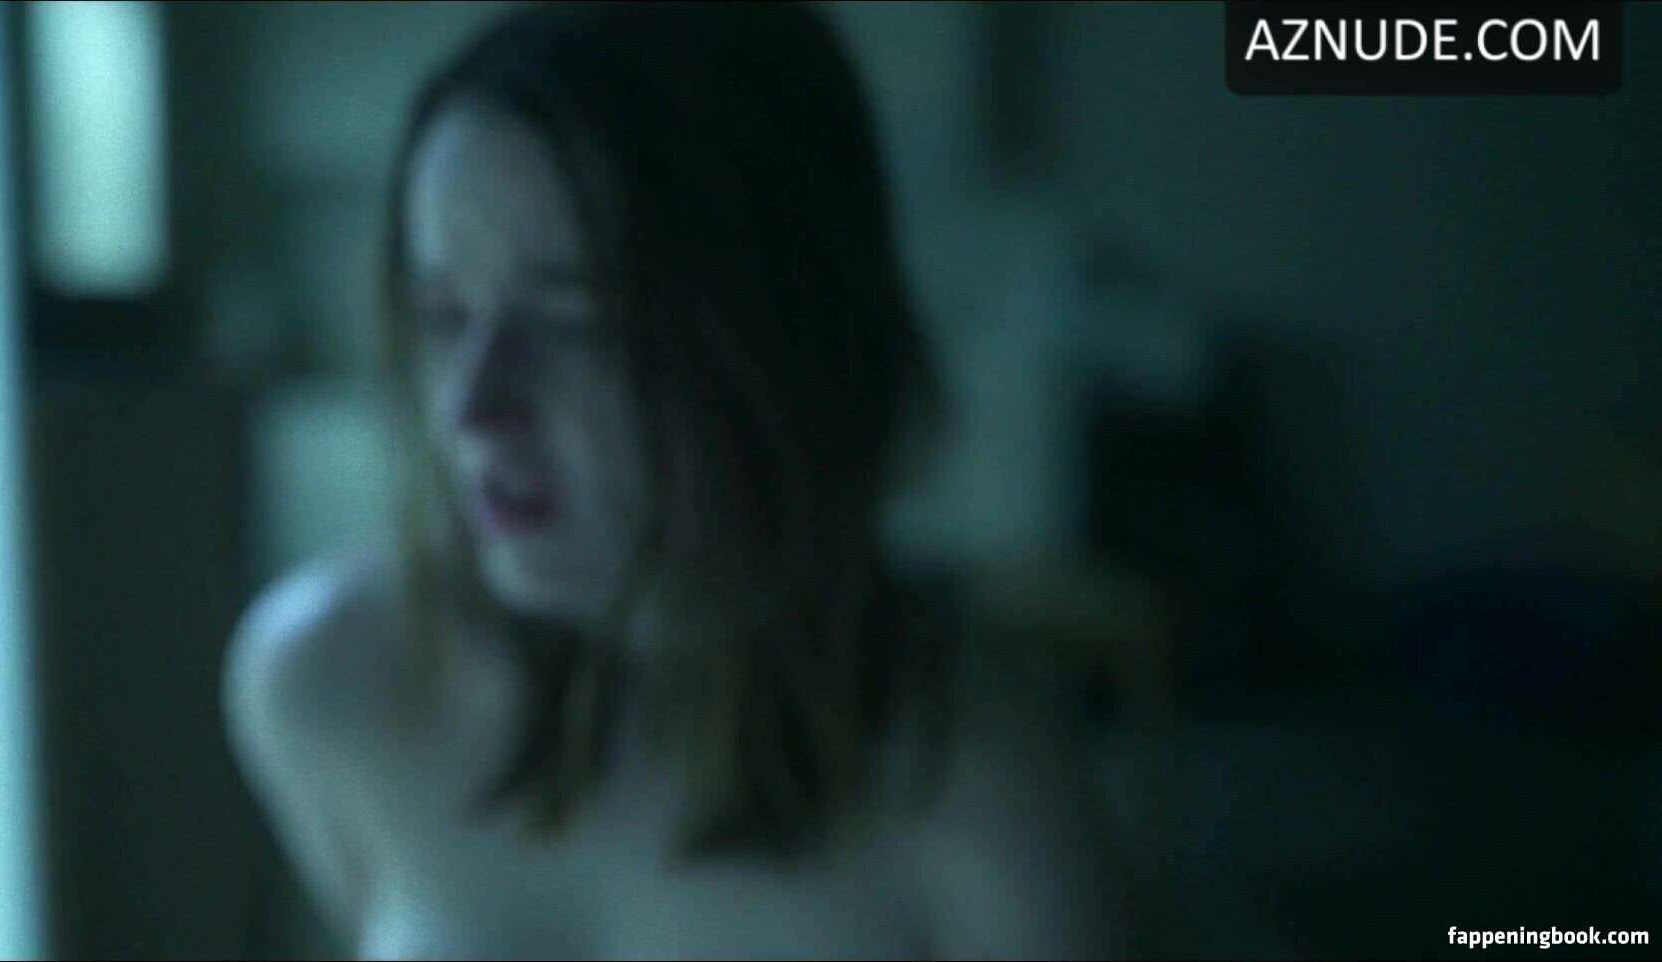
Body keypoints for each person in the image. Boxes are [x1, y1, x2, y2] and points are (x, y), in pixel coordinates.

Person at [224, 4, 1132, 957]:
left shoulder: (982, 807)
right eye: (442, 311)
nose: (473, 405)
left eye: (579, 318)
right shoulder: (332, 684)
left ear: (778, 344)